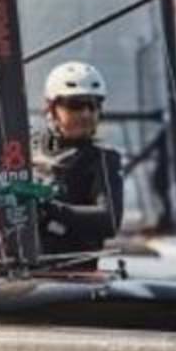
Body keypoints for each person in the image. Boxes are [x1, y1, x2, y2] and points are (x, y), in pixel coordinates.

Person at [32, 62, 123, 263]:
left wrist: (47, 208)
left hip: (74, 277)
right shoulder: (24, 150)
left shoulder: (103, 159)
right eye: (75, 105)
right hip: (19, 272)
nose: (86, 114)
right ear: (51, 108)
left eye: (93, 106)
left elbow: (110, 221)